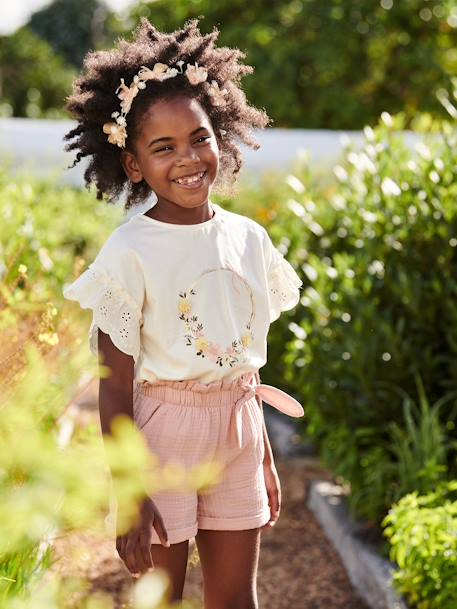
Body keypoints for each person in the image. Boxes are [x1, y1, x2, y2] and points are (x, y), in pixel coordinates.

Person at [62, 17, 303, 609]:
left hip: (240, 431)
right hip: (162, 437)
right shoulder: (130, 251)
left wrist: (262, 453)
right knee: (159, 596)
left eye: (199, 137)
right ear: (135, 166)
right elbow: (113, 389)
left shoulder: (249, 239)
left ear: (220, 134)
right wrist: (130, 492)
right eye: (163, 147)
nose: (188, 158)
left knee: (234, 600)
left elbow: (239, 368)